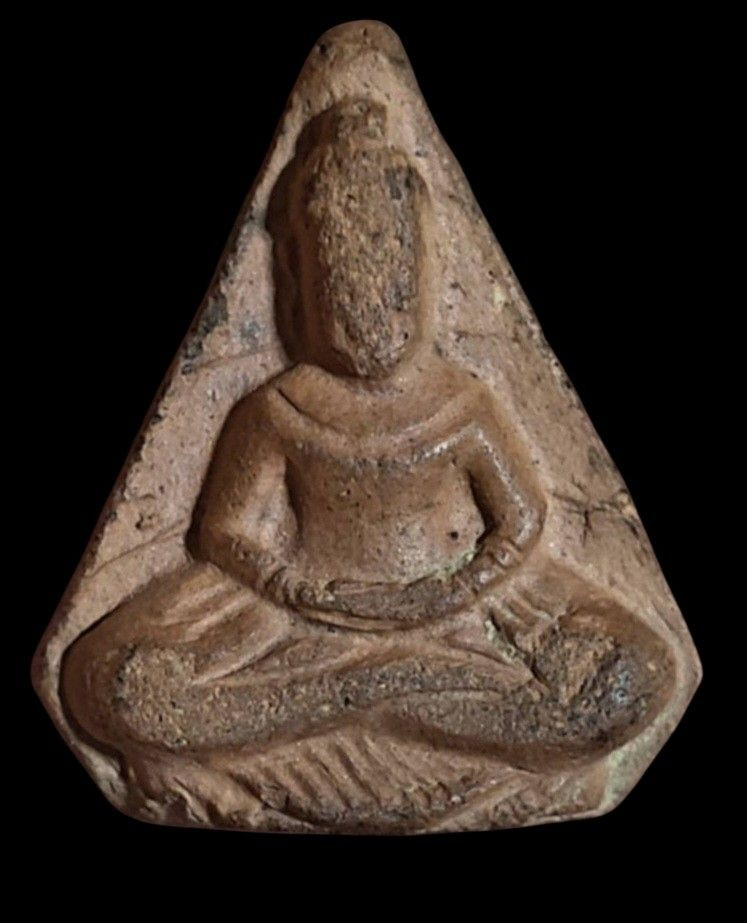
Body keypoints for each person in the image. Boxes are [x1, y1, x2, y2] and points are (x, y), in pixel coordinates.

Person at [62, 100, 672, 797]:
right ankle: (384, 706)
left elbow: (521, 520)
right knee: (110, 681)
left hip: (456, 617)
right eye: (337, 283)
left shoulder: (462, 403)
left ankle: (349, 713)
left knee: (632, 677)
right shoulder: (276, 409)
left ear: (424, 272)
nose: (367, 314)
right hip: (294, 621)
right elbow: (224, 532)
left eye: (392, 284)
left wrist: (459, 588)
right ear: (297, 280)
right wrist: (288, 587)